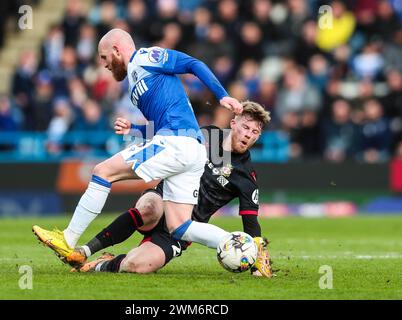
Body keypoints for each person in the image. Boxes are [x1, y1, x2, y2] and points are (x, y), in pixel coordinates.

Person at [32, 29, 243, 262]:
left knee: (102, 172)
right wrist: (136, 129)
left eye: (104, 57)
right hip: (191, 149)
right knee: (179, 226)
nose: (104, 64)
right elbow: (162, 122)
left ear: (116, 50)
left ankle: (68, 239)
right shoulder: (134, 83)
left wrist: (222, 95)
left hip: (177, 143)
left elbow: (193, 64)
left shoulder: (146, 57)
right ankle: (242, 244)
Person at [65, 101, 273, 277]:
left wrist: (258, 259)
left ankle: (103, 264)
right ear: (233, 123)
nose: (249, 135)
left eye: (255, 132)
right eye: (246, 127)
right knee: (149, 208)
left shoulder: (246, 176)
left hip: (185, 227)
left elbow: (250, 222)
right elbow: (171, 136)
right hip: (164, 198)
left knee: (138, 265)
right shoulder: (207, 134)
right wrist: (136, 130)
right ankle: (85, 250)